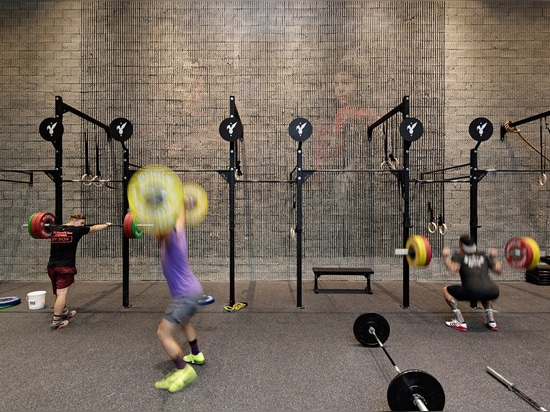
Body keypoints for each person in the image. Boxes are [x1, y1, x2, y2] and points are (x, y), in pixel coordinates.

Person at [153, 204, 205, 393]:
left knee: (163, 333)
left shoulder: (170, 239)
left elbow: (163, 230)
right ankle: (196, 354)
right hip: (194, 290)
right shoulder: (179, 234)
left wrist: (151, 211)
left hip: (185, 296)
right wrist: (181, 203)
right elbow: (180, 217)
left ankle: (183, 371)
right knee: (185, 322)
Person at [47, 214, 112, 331]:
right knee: (62, 294)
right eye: (81, 223)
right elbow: (95, 228)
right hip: (65, 268)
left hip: (51, 267)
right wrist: (106, 225)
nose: (82, 225)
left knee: (57, 291)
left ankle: (64, 311)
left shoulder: (55, 229)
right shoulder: (77, 230)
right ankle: (56, 321)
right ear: (74, 221)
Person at [442, 234, 503, 332]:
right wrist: (494, 258)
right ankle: (491, 321)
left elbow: (453, 269)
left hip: (471, 291)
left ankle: (460, 321)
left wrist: (445, 257)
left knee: (446, 290)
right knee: (484, 290)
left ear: (460, 244)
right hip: (493, 291)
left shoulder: (459, 255)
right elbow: (499, 270)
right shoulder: (484, 254)